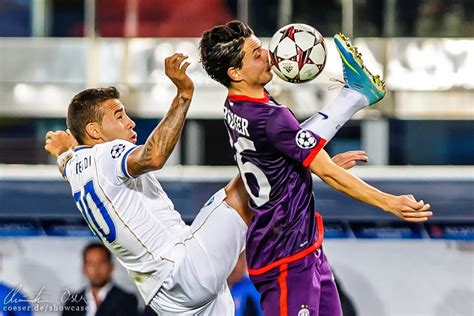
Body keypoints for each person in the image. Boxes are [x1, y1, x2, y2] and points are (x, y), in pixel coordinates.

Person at [44, 52, 372, 314]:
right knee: (256, 169)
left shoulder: (77, 168)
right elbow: (154, 156)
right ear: (94, 132)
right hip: (181, 268)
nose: (129, 121)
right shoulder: (106, 154)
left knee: (264, 176)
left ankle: (308, 155)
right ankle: (353, 97)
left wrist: (63, 151)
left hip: (167, 301)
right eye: (118, 115)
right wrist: (184, 94)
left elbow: (68, 162)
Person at [199, 20, 432, 315]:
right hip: (284, 255)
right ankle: (356, 95)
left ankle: (356, 94)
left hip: (304, 247)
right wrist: (389, 202)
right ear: (235, 73)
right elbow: (327, 172)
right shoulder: (270, 117)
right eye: (256, 54)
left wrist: (311, 163)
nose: (268, 55)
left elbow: (274, 157)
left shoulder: (236, 106)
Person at [62, 242, 138, 316]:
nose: (96, 269)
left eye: (101, 262)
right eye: (91, 263)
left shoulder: (127, 301)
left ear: (111, 267)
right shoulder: (73, 301)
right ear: (84, 269)